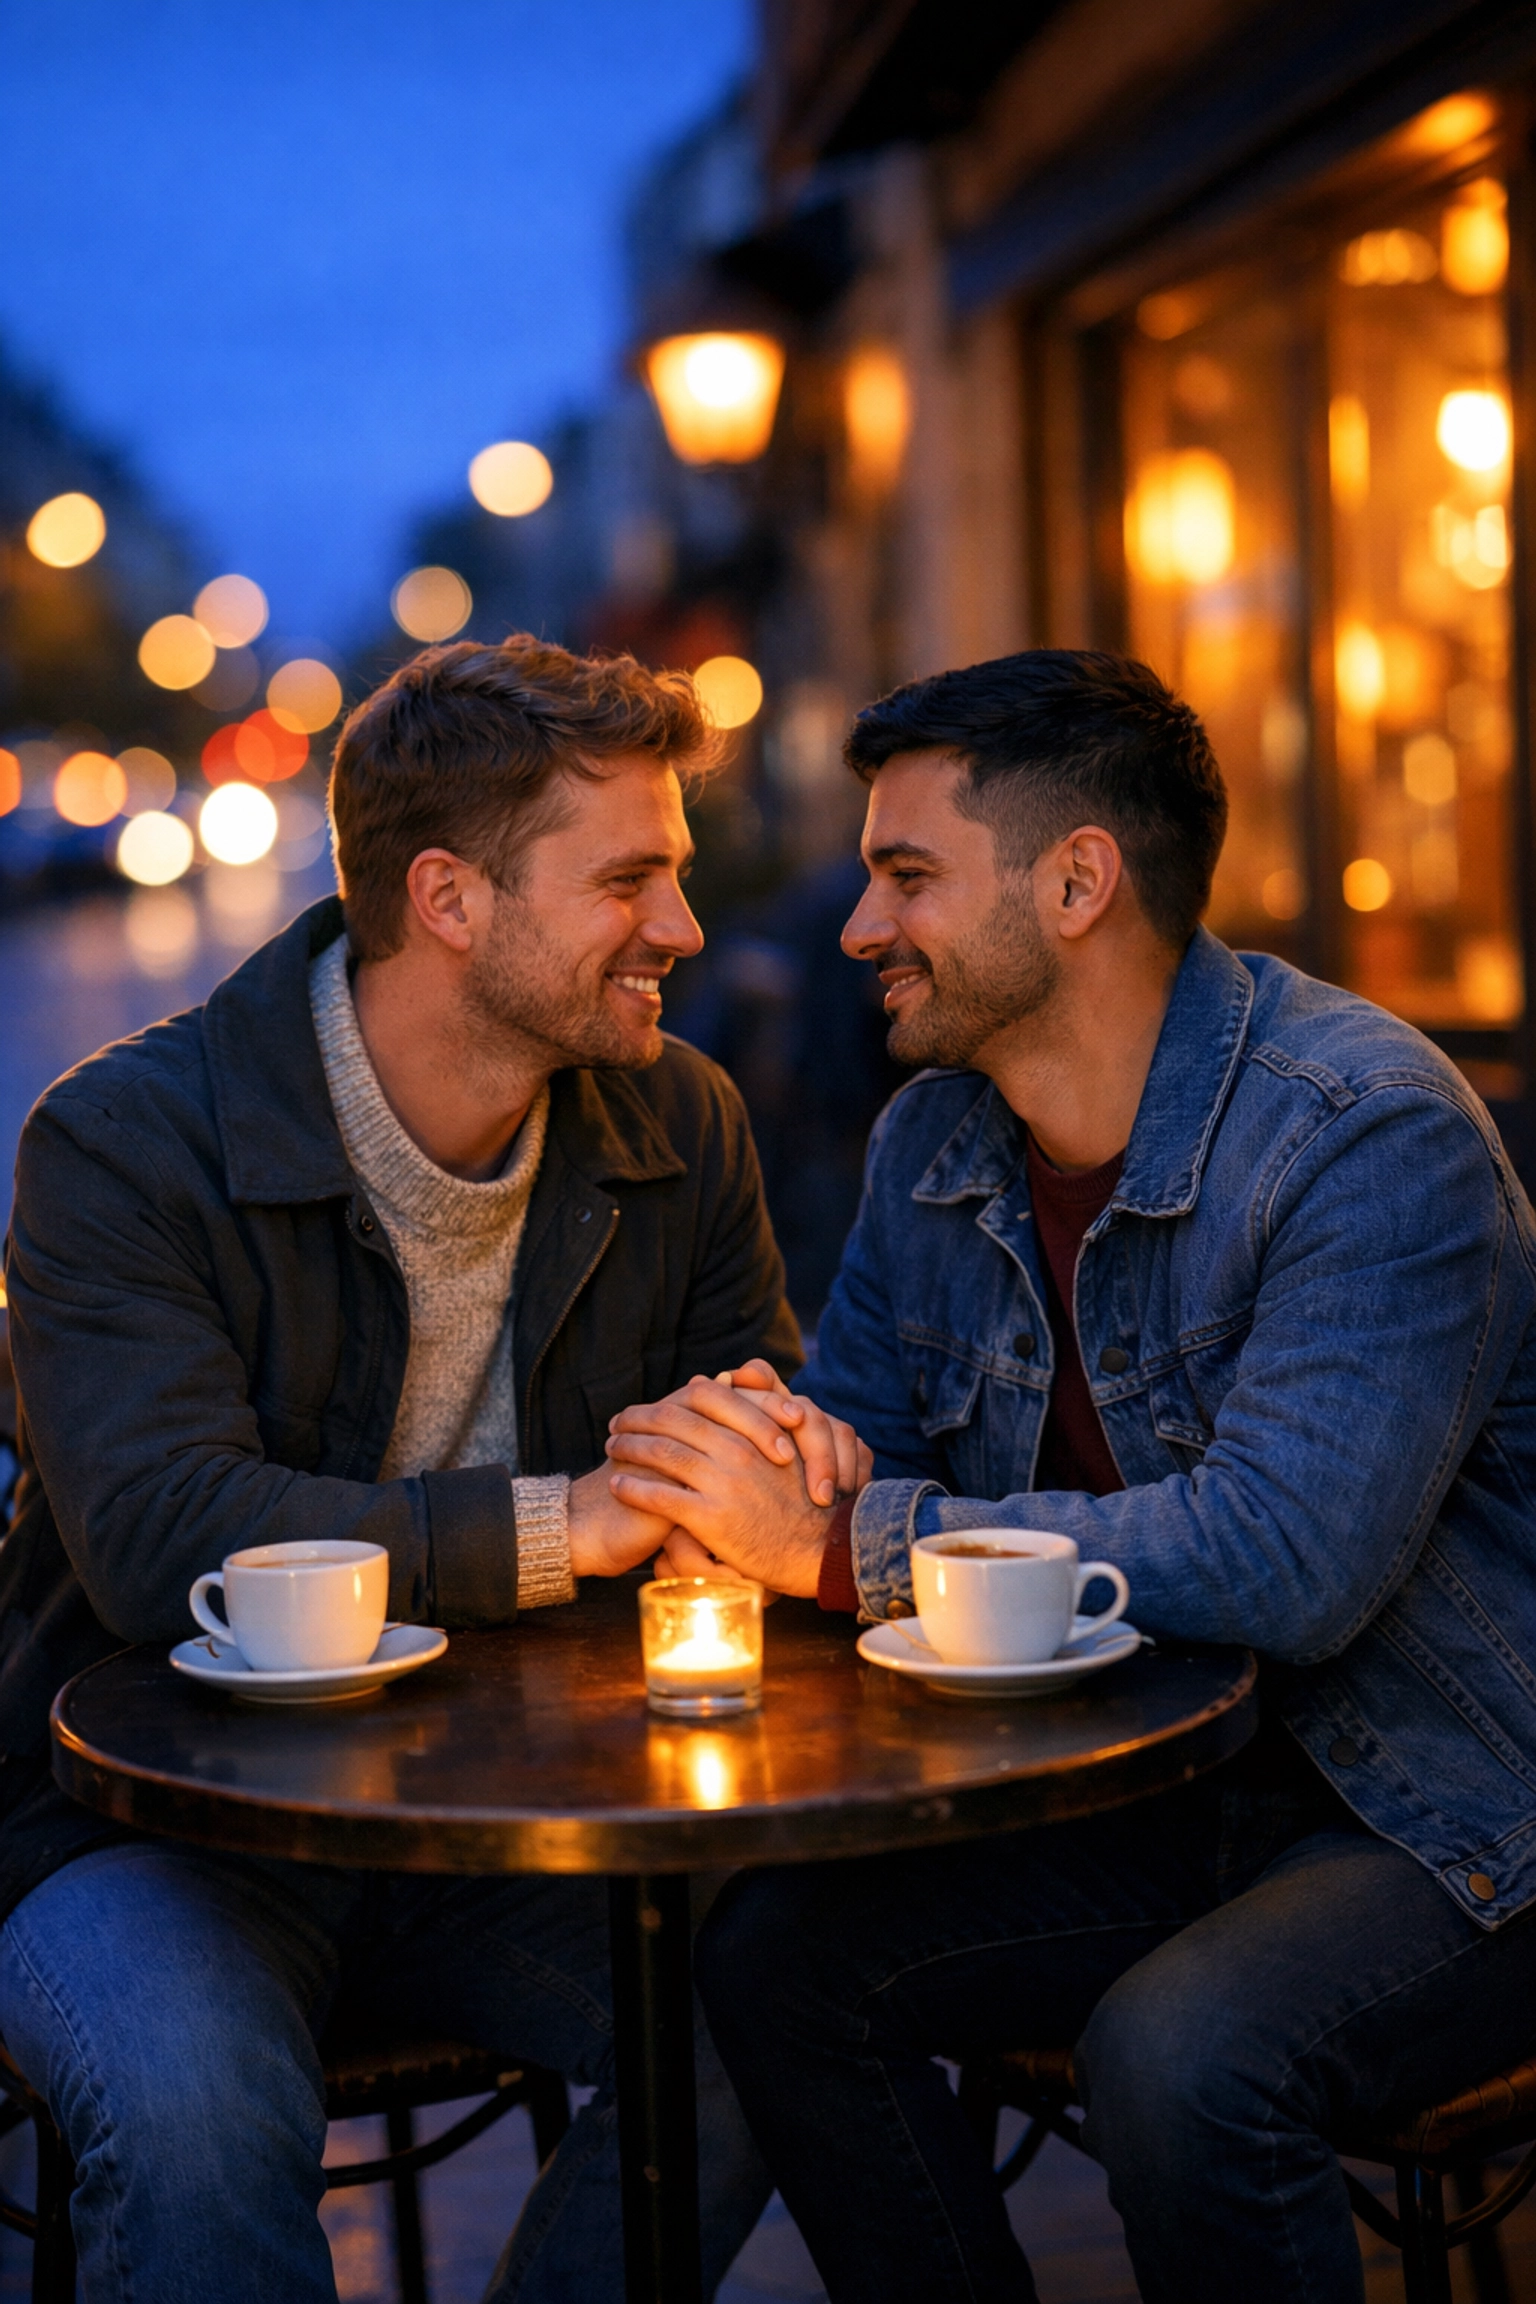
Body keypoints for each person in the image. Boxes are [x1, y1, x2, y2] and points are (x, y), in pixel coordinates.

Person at [604, 648, 1536, 2304]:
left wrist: (837, 1542)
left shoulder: (1364, 1130)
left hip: (1451, 1809)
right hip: (1158, 1789)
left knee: (1183, 2057)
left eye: (907, 875)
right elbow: (854, 1451)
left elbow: (1285, 1561)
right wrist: (761, 1465)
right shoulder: (932, 1142)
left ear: (1078, 883)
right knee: (776, 1958)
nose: (858, 928)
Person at [0, 635, 801, 2302]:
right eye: (629, 881)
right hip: (151, 1827)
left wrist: (779, 1459)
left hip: (525, 1810)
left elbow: (745, 1442)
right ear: (448, 899)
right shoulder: (126, 1144)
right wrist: (569, 1522)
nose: (682, 927)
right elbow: (163, 1541)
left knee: (786, 2014)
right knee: (192, 2106)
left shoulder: (680, 1120)